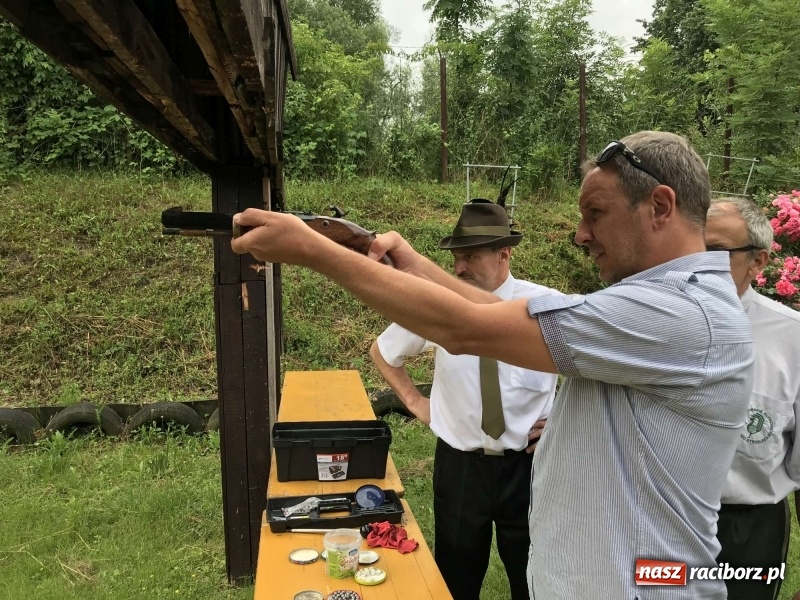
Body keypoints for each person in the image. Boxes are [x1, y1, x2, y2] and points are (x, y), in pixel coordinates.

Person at [231, 130, 754, 599]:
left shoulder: (678, 311)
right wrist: (413, 264)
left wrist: (314, 251)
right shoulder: (671, 302)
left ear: (660, 206)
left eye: (595, 213)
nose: (581, 234)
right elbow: (488, 311)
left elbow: (469, 329)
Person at [370, 199, 559, 600]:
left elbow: (586, 371)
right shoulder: (441, 308)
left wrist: (563, 420)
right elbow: (384, 352)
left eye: (470, 256)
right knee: (455, 579)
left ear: (504, 253)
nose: (458, 268)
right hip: (461, 468)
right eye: (456, 258)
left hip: (528, 468)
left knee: (535, 578)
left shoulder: (542, 308)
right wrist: (415, 402)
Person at [705, 197, 800, 600]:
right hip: (662, 522)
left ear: (758, 261)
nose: (698, 262)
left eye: (716, 251)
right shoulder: (650, 327)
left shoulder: (792, 339)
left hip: (748, 530)